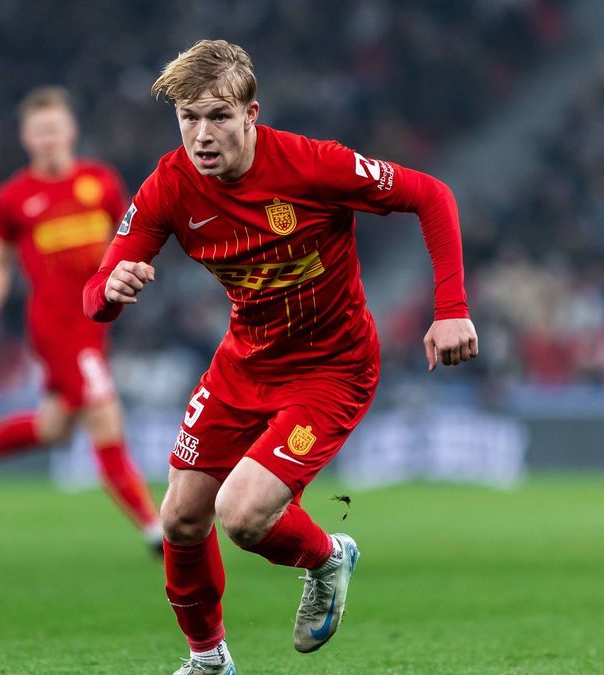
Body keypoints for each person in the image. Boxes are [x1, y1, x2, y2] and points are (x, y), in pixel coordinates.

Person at [82, 40, 478, 674]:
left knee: (240, 515)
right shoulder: (169, 186)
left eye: (218, 117)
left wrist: (452, 307)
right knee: (182, 518)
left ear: (251, 114)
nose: (202, 135)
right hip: (244, 365)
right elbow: (96, 292)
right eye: (188, 118)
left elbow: (430, 195)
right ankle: (209, 660)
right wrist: (110, 289)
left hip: (331, 369)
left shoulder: (312, 166)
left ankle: (326, 555)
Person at [0, 86, 162, 553]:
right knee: (105, 415)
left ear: (71, 131)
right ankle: (156, 530)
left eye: (54, 129)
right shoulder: (14, 198)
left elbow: (127, 241)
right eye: (39, 132)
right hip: (56, 325)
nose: (48, 139)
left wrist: (134, 271)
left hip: (95, 323)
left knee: (54, 428)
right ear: (26, 138)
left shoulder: (100, 182)